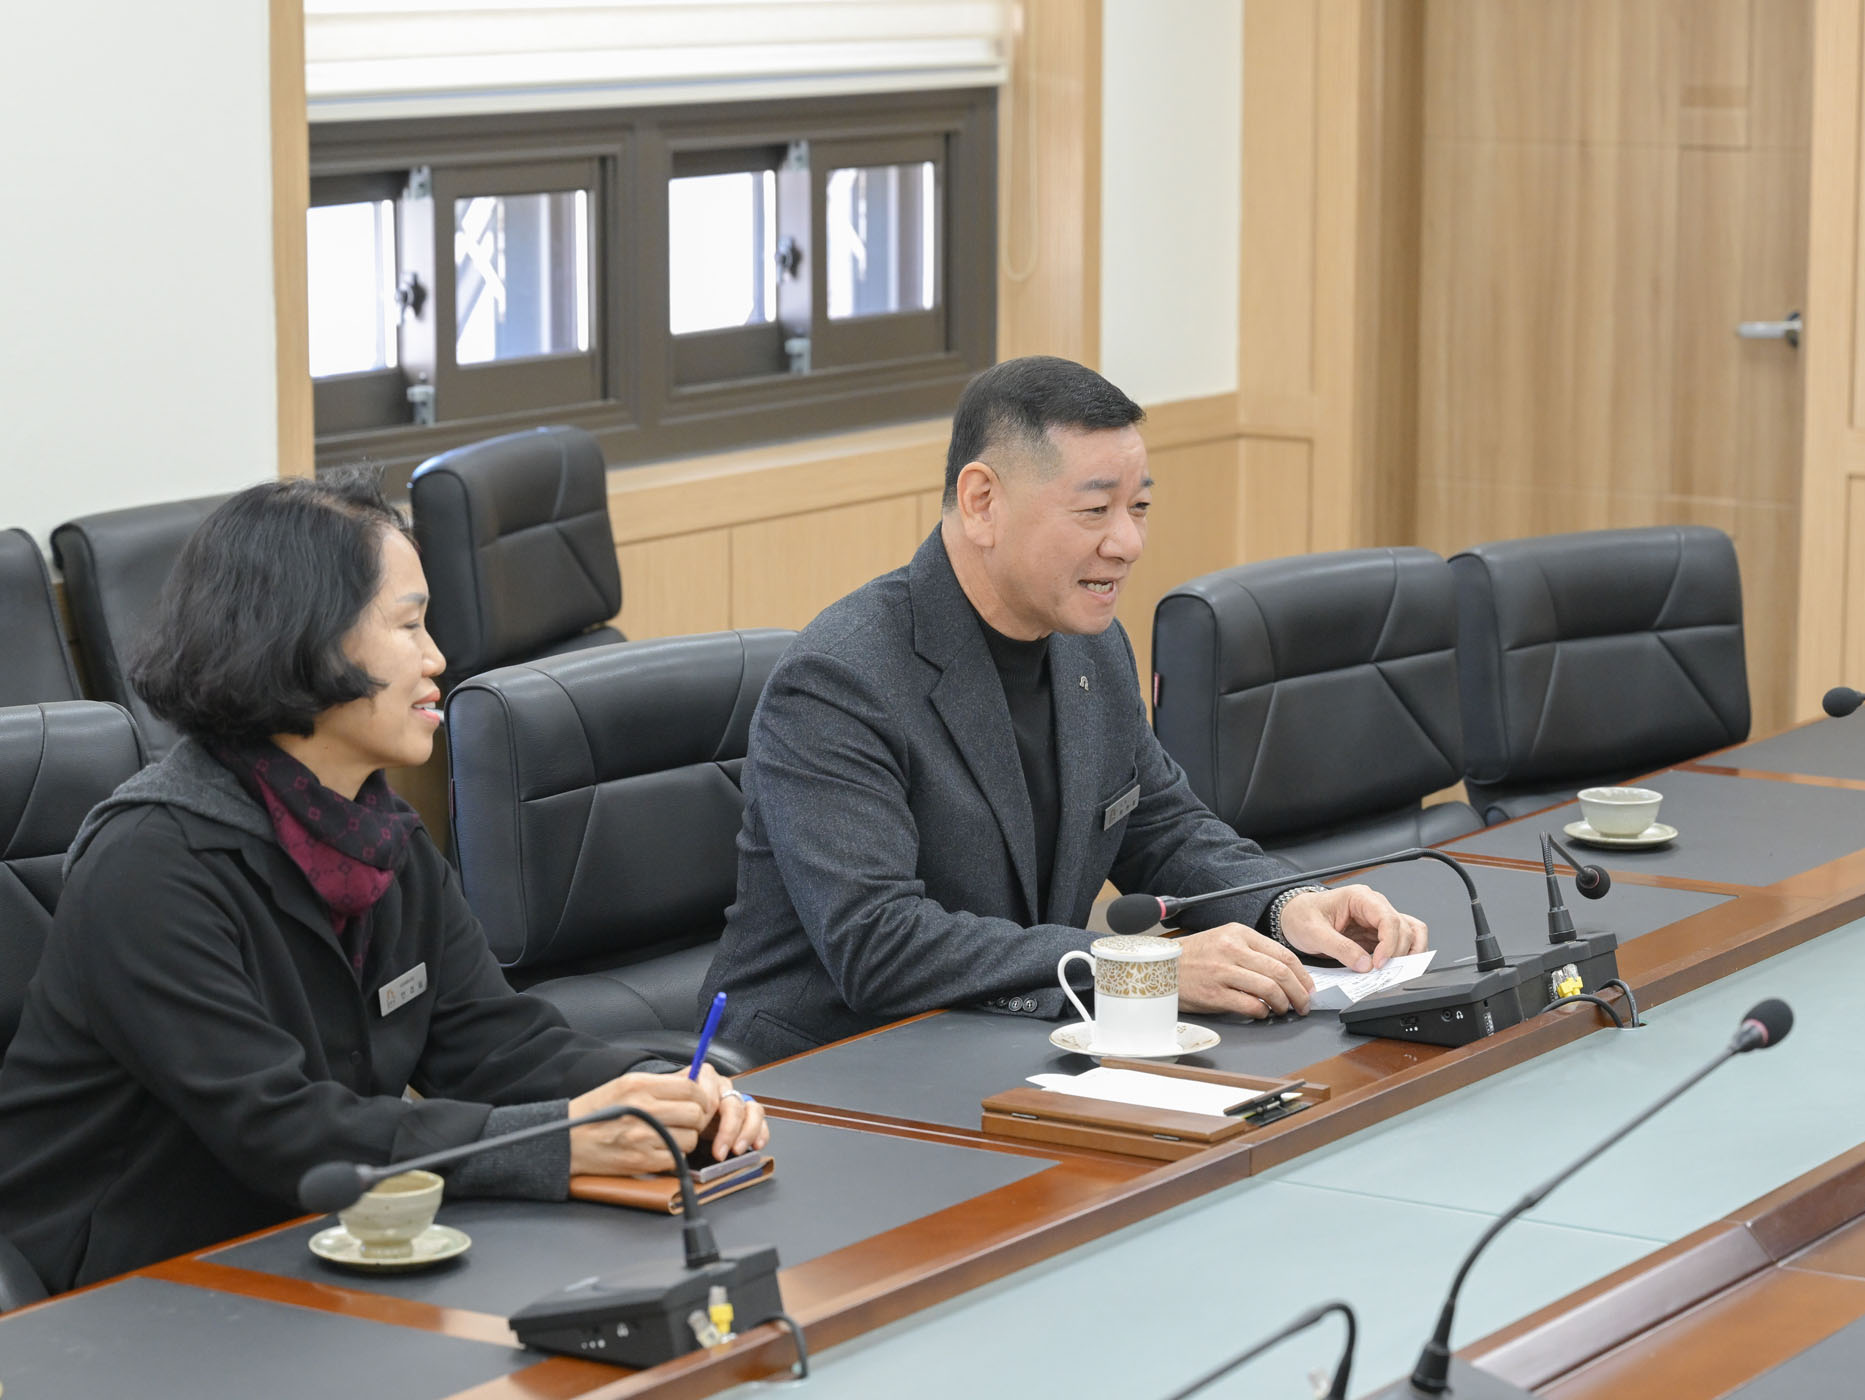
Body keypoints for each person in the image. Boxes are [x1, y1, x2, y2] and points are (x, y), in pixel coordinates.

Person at [0, 473, 766, 1293]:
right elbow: (280, 1128)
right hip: (116, 1285)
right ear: (307, 638)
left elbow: (493, 1045)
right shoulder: (149, 865)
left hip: (312, 1243)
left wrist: (662, 1088)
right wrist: (562, 1137)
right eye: (408, 625)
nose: (437, 658)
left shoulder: (376, 837)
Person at [702, 356, 1430, 1062]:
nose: (1129, 543)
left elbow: (1163, 830)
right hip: (826, 1076)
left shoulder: (1092, 647)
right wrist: (1144, 971)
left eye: (1139, 507)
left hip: (1003, 1044)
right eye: (1094, 511)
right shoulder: (839, 679)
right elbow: (879, 944)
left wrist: (1288, 906)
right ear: (982, 503)